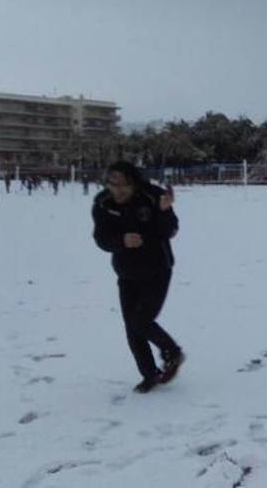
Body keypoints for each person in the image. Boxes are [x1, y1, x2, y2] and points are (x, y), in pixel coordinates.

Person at [92, 161, 185, 393]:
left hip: (157, 269)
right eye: (113, 185)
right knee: (132, 328)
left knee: (141, 320)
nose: (118, 190)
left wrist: (164, 211)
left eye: (123, 185)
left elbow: (170, 230)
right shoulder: (103, 203)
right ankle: (149, 374)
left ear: (134, 183)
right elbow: (101, 237)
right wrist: (121, 241)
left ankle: (172, 352)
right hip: (126, 272)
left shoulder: (153, 197)